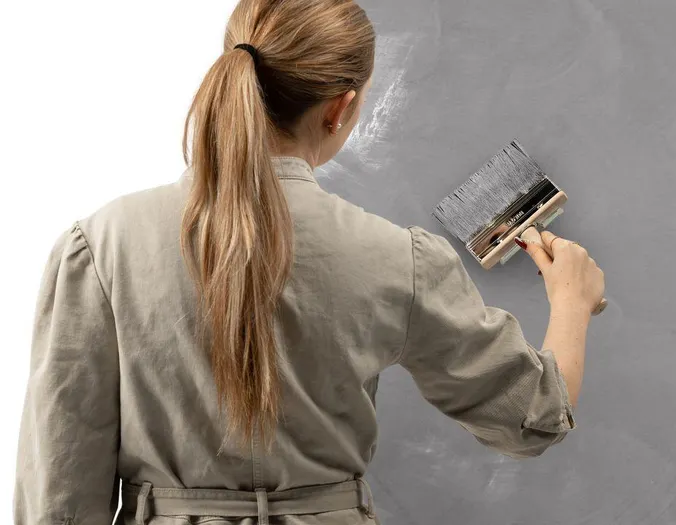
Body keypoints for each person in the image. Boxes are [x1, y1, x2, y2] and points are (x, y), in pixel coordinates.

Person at [14, 0, 604, 523]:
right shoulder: (398, 258)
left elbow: (59, 494)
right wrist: (571, 302)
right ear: (340, 108)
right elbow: (532, 419)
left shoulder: (100, 246)